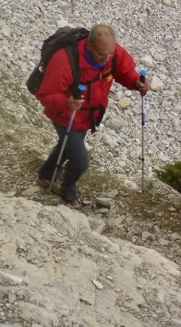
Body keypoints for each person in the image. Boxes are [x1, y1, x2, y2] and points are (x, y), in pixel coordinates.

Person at [35, 23, 150, 203]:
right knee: (81, 161)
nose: (106, 59)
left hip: (89, 115)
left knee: (69, 145)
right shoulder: (65, 60)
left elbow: (124, 71)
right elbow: (45, 94)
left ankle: (46, 174)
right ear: (89, 46)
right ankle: (68, 186)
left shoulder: (111, 53)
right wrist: (66, 103)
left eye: (109, 54)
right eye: (101, 55)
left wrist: (136, 82)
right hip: (66, 115)